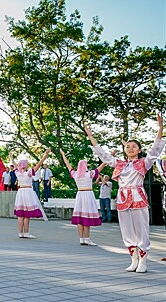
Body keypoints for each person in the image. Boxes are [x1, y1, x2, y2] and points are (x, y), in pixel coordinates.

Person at [85, 114, 165, 273]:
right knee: (127, 230)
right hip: (122, 199)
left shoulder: (144, 162)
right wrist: (90, 135)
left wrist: (161, 127)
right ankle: (133, 259)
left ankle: (143, 260)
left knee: (141, 229)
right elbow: (103, 155)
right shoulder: (119, 164)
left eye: (134, 146)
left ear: (139, 149)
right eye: (127, 146)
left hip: (137, 197)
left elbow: (155, 149)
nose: (130, 148)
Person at [60, 149, 107, 246]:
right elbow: (102, 166)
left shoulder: (75, 174)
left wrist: (63, 155)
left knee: (80, 217)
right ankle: (87, 238)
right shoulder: (89, 174)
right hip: (88, 194)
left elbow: (67, 164)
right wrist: (109, 156)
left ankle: (81, 238)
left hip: (80, 194)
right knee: (87, 216)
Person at [11, 149, 50, 239]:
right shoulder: (28, 173)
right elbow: (38, 165)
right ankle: (26, 232)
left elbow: (15, 166)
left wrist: (11, 158)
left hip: (20, 192)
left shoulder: (17, 173)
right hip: (28, 192)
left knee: (20, 214)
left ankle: (21, 233)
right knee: (27, 213)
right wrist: (45, 156)